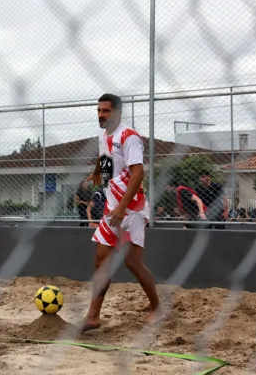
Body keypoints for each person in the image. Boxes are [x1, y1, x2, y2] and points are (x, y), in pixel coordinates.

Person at [82, 93, 162, 332]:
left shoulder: (130, 136)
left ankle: (157, 307)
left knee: (132, 262)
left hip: (132, 209)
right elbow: (105, 156)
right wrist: (98, 172)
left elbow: (138, 173)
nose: (101, 115)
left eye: (105, 111)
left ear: (117, 112)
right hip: (110, 207)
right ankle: (93, 316)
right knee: (100, 260)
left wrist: (122, 207)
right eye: (98, 111)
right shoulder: (103, 134)